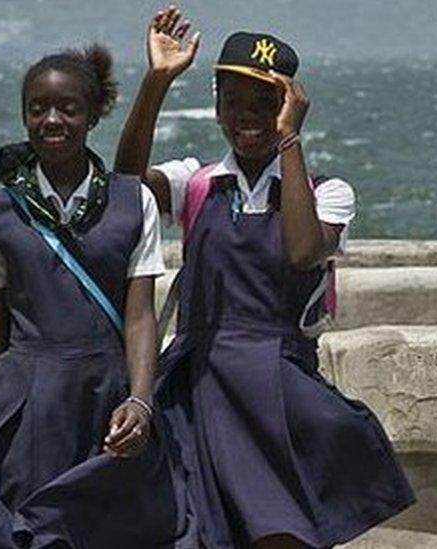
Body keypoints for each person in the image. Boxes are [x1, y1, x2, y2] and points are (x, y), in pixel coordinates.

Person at [115, 7, 415, 548]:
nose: (246, 117)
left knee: (282, 530)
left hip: (276, 388)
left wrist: (289, 143)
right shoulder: (198, 182)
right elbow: (125, 186)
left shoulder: (328, 192)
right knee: (196, 529)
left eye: (265, 104)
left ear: (289, 108)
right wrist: (157, 81)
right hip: (200, 384)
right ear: (216, 107)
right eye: (234, 103)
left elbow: (302, 250)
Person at [0, 45, 191, 548]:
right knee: (26, 527)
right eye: (37, 108)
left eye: (68, 108)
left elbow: (140, 317)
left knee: (110, 531)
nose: (51, 119)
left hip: (106, 399)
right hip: (26, 403)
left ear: (93, 116)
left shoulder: (134, 202)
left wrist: (141, 401)